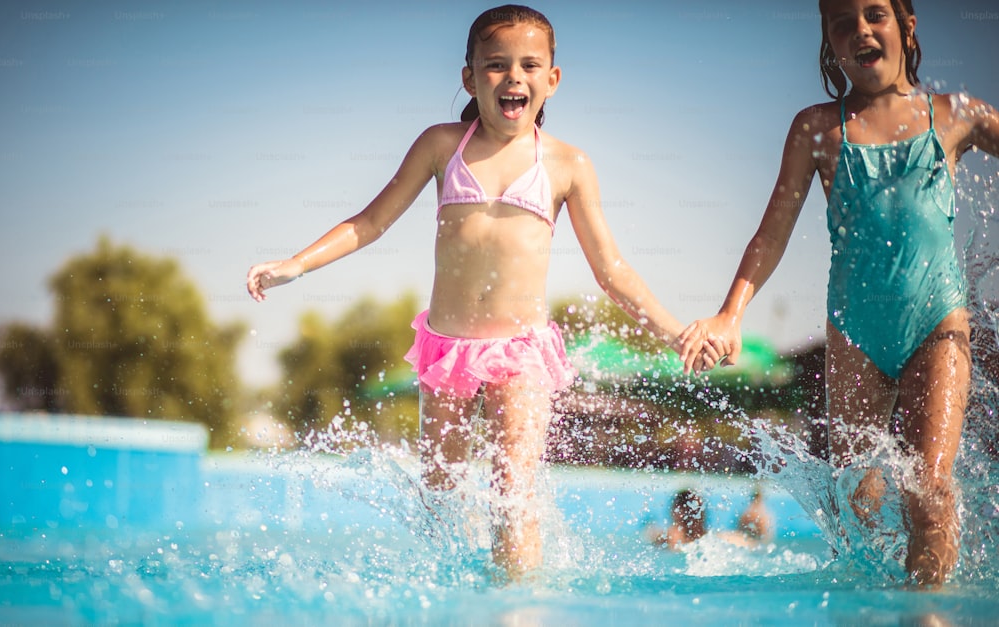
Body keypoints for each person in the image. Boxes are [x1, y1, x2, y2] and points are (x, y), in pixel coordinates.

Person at [247, 5, 722, 580]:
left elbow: (611, 269)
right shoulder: (442, 145)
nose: (513, 77)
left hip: (521, 352)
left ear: (552, 79)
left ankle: (518, 605)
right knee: (440, 497)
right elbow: (370, 222)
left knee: (512, 491)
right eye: (496, 65)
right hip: (446, 349)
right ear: (469, 77)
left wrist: (674, 332)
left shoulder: (568, 164)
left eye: (528, 65)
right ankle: (460, 598)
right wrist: (297, 263)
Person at [678, 0, 999, 586]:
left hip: (937, 323)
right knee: (856, 507)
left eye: (874, 14)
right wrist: (730, 313)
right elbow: (772, 231)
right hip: (854, 333)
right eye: (841, 22)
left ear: (907, 25)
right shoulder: (819, 128)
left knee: (929, 490)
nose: (860, 30)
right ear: (829, 40)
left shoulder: (954, 115)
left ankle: (927, 610)